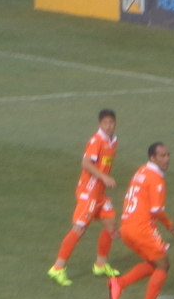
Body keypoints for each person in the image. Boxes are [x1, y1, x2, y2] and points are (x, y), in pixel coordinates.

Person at [48, 109, 121, 287]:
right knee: (79, 230)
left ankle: (100, 265)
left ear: (115, 123)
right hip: (89, 193)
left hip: (100, 194)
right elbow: (86, 163)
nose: (108, 126)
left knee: (111, 224)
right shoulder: (96, 141)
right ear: (99, 125)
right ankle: (57, 268)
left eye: (111, 122)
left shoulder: (113, 141)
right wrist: (103, 177)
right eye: (105, 123)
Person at [108, 142, 174, 299]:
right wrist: (169, 224)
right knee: (163, 264)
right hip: (141, 228)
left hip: (128, 227)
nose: (166, 159)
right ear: (152, 158)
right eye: (162, 156)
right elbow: (156, 210)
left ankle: (119, 283)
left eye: (168, 155)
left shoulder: (141, 172)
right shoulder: (156, 178)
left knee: (153, 263)